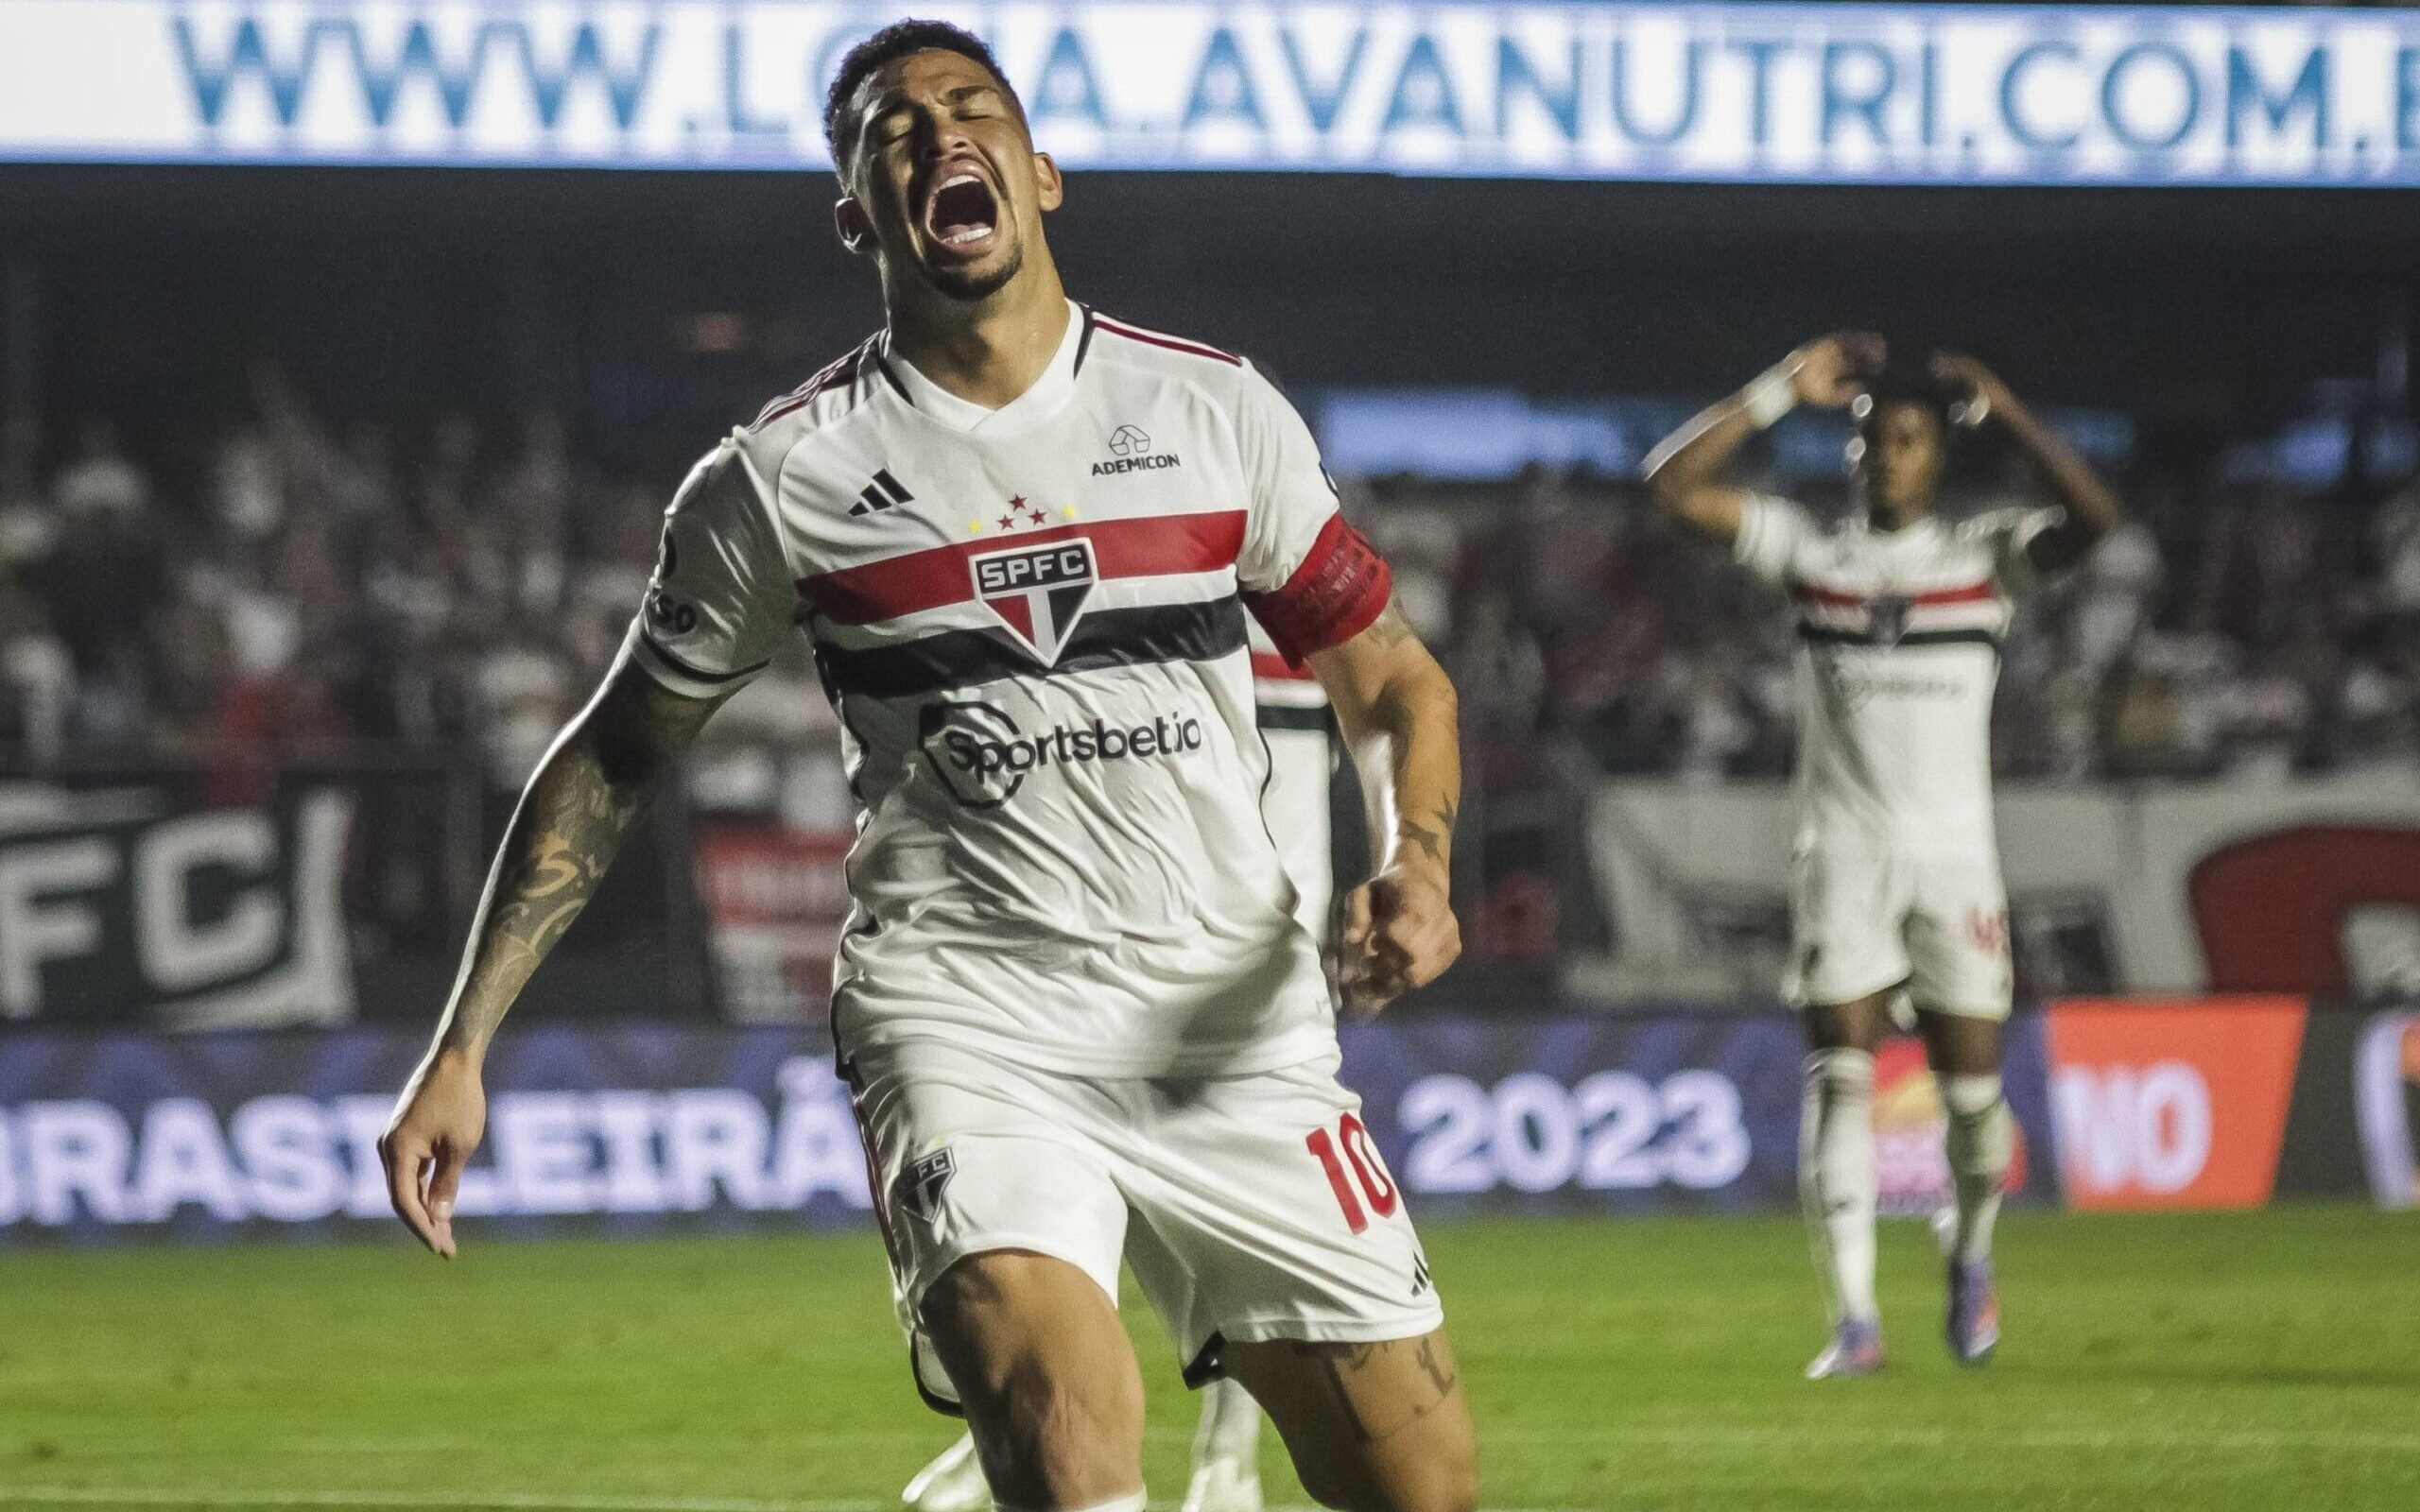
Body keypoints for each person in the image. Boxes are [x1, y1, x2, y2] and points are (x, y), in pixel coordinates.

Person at [379, 20, 1475, 1512]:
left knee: (1424, 1492)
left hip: (1238, 1030)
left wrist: (1418, 857)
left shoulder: (1213, 411)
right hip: (973, 1026)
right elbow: (612, 759)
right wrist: (462, 1042)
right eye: (893, 128)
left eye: (972, 111)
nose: (938, 136)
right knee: (1066, 1435)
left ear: (1039, 171)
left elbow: (1393, 677)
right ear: (857, 210)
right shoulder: (784, 477)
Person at [1644, 335, 2123, 1377]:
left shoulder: (1985, 559)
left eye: (1905, 441)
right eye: (1868, 442)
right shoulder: (1812, 555)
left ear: (1937, 457)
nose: (1883, 459)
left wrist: (2010, 412)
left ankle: (1971, 1253)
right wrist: (1775, 391)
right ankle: (1854, 1320)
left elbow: (2095, 520)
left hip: (1955, 865)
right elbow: (1672, 488)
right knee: (1841, 1080)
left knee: (1970, 1103)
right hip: (1842, 856)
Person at [904, 618, 1338, 1512]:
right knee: (1059, 1192)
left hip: (1229, 948)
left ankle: (1226, 1454)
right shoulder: (1145, 555)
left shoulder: (1237, 569)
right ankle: (1019, 1427)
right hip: (1120, 934)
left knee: (1213, 1220)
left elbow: (1281, 792)